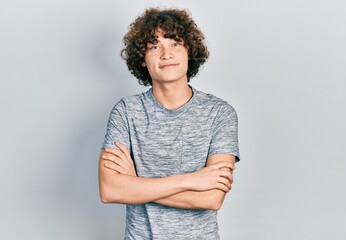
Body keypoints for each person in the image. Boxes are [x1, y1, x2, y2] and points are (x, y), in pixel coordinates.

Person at [98, 7, 240, 240]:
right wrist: (191, 180)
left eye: (175, 43)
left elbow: (211, 198)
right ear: (142, 60)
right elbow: (110, 190)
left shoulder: (220, 114)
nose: (166, 54)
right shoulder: (126, 112)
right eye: (154, 46)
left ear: (189, 52)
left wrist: (135, 185)